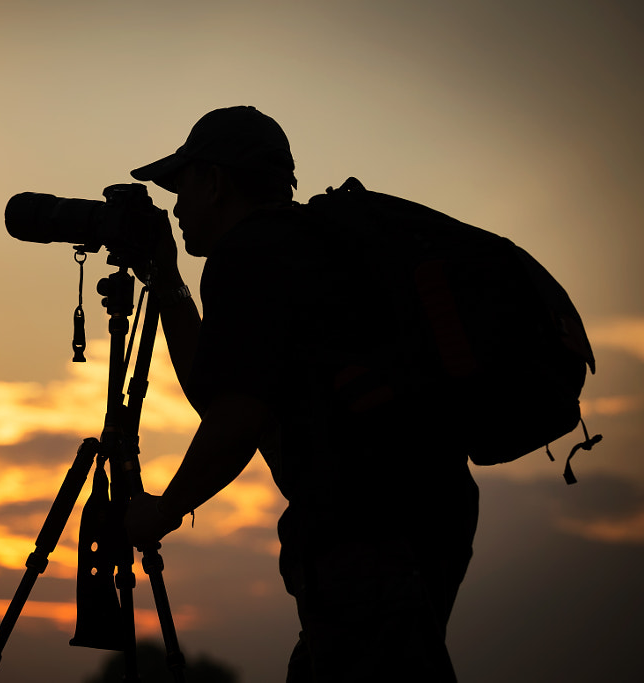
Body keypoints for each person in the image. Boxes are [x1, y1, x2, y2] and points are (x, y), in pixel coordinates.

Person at [123, 106, 480, 682]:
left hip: (369, 533)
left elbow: (237, 416)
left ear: (214, 182)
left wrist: (164, 510)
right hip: (415, 517)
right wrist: (167, 280)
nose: (177, 209)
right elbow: (223, 395)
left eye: (181, 188)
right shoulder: (301, 249)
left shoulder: (251, 254)